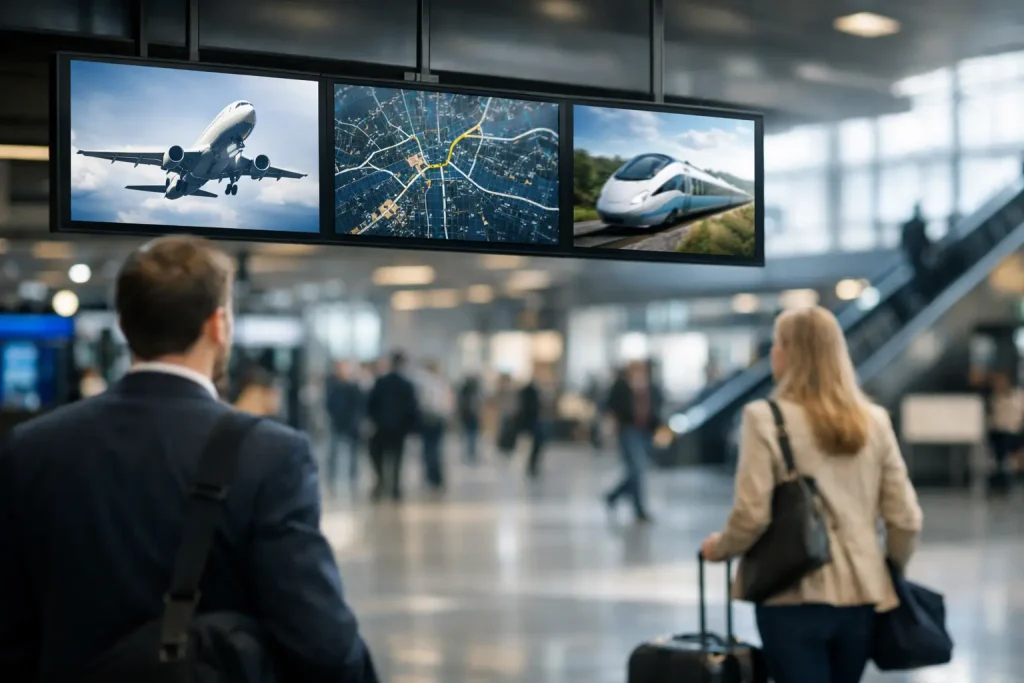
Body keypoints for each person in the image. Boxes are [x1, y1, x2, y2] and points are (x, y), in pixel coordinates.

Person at [0, 236, 376, 683]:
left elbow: (11, 633)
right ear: (219, 325)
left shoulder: (30, 447)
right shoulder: (270, 455)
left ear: (124, 325)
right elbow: (322, 644)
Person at [699, 306, 923, 683]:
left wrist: (720, 548)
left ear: (791, 353)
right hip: (862, 596)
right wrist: (889, 568)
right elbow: (905, 518)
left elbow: (752, 515)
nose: (773, 353)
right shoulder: (874, 420)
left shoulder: (764, 417)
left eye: (777, 344)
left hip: (791, 593)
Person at [604, 360, 662, 523]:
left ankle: (613, 496)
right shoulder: (621, 386)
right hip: (628, 431)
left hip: (646, 432)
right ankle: (639, 510)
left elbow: (656, 407)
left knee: (637, 471)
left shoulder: (651, 387)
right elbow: (611, 407)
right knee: (637, 469)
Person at [366, 350, 420, 501]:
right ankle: (395, 488)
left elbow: (370, 404)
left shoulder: (381, 382)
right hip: (399, 428)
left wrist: (373, 420)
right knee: (397, 458)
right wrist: (412, 428)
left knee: (379, 456)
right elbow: (412, 408)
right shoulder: (406, 384)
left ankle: (382, 480)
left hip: (382, 426)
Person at [325, 360, 366, 493]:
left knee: (353, 452)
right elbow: (329, 404)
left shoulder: (353, 387)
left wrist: (356, 420)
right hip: (336, 423)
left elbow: (359, 405)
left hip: (350, 424)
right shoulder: (333, 386)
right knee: (334, 451)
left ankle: (352, 476)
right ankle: (331, 476)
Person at [416, 360, 453, 491]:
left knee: (431, 450)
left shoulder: (428, 382)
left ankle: (433, 477)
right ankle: (433, 477)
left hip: (432, 418)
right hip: (433, 419)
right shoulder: (435, 383)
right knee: (433, 449)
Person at [986, 371, 1023, 495]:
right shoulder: (995, 399)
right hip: (999, 433)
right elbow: (994, 421)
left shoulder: (1018, 396)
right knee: (999, 443)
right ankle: (1000, 476)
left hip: (1016, 433)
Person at [457, 376, 483, 463]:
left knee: (470, 436)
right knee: (470, 436)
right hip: (469, 416)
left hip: (469, 416)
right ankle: (470, 454)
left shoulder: (466, 391)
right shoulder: (468, 391)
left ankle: (470, 454)